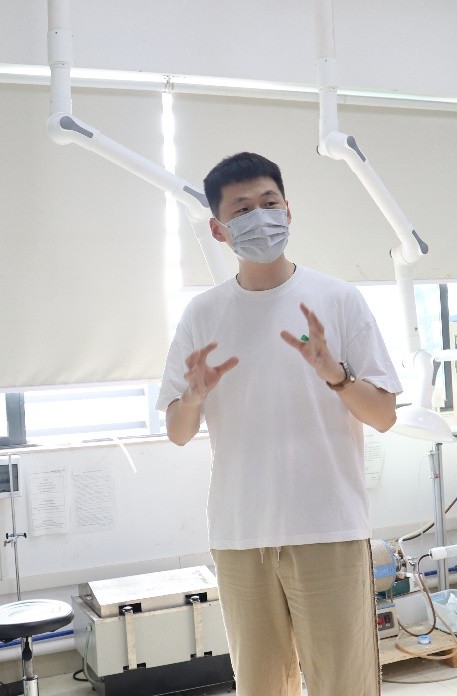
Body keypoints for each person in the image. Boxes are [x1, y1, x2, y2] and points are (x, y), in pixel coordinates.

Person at [157, 152, 401, 696]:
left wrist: (335, 374)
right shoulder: (203, 314)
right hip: (241, 533)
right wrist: (193, 396)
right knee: (261, 686)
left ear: (288, 211)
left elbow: (383, 415)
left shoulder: (338, 299)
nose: (261, 217)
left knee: (345, 685)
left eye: (269, 203)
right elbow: (178, 431)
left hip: (329, 527)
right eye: (242, 209)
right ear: (219, 230)